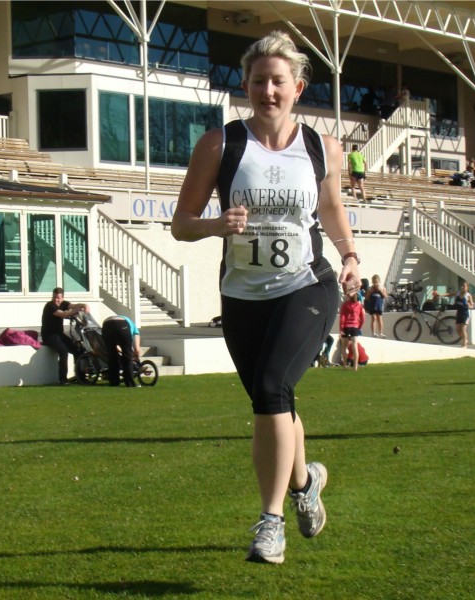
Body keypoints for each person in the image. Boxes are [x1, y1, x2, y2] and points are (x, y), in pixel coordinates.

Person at [171, 31, 361, 565]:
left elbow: (331, 209)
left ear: (297, 87)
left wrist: (349, 256)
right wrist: (215, 225)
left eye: (278, 81)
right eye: (258, 81)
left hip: (307, 284)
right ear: (246, 85)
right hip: (242, 294)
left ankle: (271, 522)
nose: (268, 91)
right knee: (272, 400)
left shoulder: (322, 148)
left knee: (273, 389)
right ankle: (304, 483)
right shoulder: (220, 144)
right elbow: (181, 223)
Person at [41, 287, 90, 385]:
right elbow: (63, 314)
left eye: (58, 298)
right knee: (63, 351)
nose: (56, 300)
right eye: (54, 297)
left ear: (62, 298)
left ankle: (80, 377)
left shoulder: (64, 303)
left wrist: (84, 305)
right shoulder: (49, 306)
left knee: (78, 349)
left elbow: (74, 305)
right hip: (49, 336)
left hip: (59, 334)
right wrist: (76, 310)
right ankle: (63, 379)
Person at [101, 315, 141, 387]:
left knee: (112, 355)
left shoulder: (128, 321)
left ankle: (114, 382)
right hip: (121, 324)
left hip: (107, 324)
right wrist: (136, 355)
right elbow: (137, 349)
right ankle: (130, 382)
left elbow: (117, 347)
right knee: (127, 355)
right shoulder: (135, 329)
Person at [339, 292, 365, 371]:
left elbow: (342, 317)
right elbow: (362, 317)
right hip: (355, 327)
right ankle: (355, 367)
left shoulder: (345, 305)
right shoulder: (359, 305)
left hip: (346, 327)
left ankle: (345, 365)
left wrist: (341, 328)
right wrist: (359, 326)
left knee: (344, 347)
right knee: (355, 346)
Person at [453, 282, 475, 348]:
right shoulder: (458, 294)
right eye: (462, 286)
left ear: (467, 288)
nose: (462, 287)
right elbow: (455, 303)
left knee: (463, 329)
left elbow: (472, 305)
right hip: (459, 313)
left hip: (465, 314)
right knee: (457, 329)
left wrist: (469, 306)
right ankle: (465, 339)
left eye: (464, 286)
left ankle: (464, 345)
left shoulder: (468, 295)